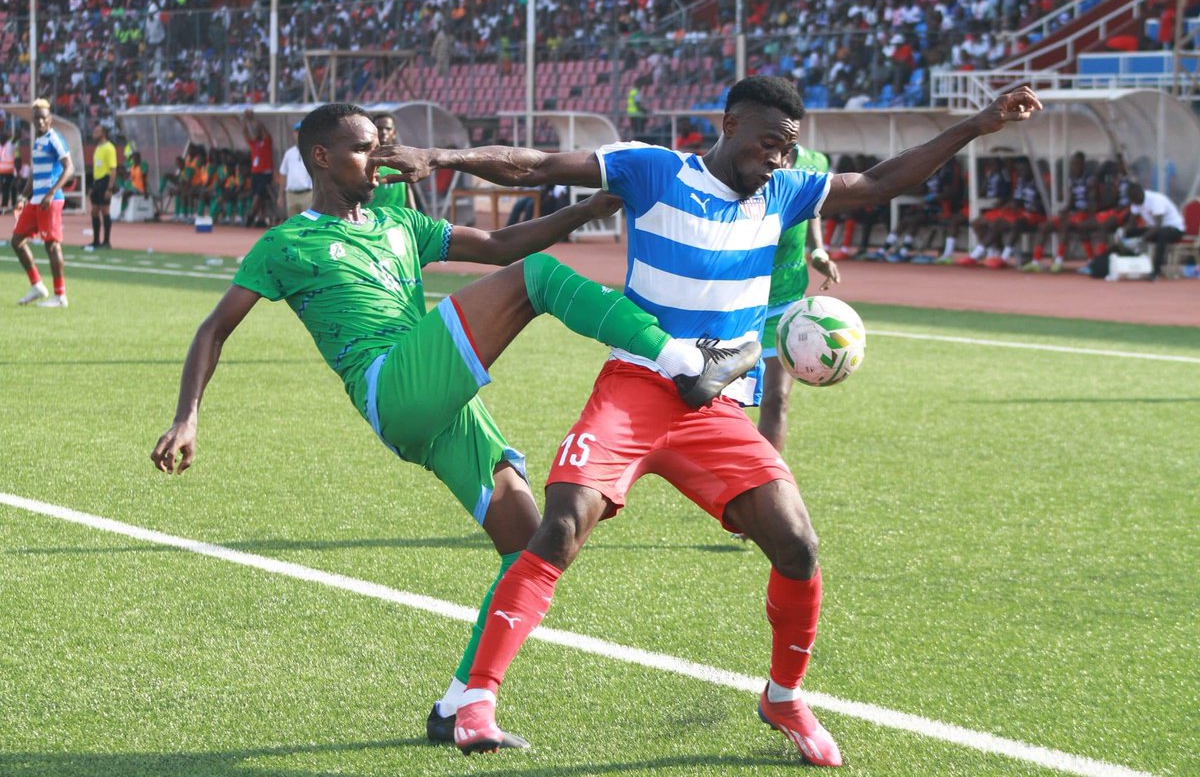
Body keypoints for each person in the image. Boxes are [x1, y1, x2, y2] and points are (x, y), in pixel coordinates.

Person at [370, 76, 1042, 764]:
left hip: (714, 404)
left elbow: (874, 184)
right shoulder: (653, 168)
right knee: (563, 523)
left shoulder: (787, 191)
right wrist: (442, 158)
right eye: (767, 143)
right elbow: (538, 164)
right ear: (728, 124)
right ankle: (474, 698)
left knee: (798, 545)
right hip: (636, 384)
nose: (777, 160)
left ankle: (783, 696)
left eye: (788, 148)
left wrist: (975, 125)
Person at [149, 102, 758, 749]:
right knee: (537, 280)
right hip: (394, 385)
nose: (378, 160)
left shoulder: (397, 223)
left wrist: (583, 211)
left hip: (439, 406)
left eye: (381, 146)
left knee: (530, 544)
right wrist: (187, 416)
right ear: (320, 158)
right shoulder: (286, 243)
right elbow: (214, 328)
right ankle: (686, 361)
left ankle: (460, 705)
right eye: (362, 148)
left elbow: (497, 243)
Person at [758, 142, 838, 452]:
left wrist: (817, 250)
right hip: (734, 297)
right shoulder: (741, 158)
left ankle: (767, 481)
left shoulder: (814, 161)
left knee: (776, 398)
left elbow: (812, 204)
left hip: (785, 298)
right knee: (720, 401)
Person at [10, 99, 75, 308]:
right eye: (36, 118)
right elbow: (34, 176)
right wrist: (22, 197)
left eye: (43, 118)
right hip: (36, 200)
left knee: (52, 245)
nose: (39, 121)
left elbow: (69, 168)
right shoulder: (37, 142)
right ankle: (37, 285)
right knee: (17, 240)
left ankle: (60, 296)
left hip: (50, 201)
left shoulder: (54, 138)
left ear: (50, 120)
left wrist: (51, 192)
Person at [1119, 182, 1184, 281]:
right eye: (1131, 200)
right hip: (1156, 229)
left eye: (1134, 199)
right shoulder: (1135, 201)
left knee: (1162, 235)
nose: (1133, 202)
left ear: (1140, 194)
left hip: (1174, 229)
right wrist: (1122, 231)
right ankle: (1128, 265)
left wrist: (1142, 239)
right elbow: (1131, 223)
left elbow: (1158, 225)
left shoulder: (1156, 200)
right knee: (1130, 233)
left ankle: (1156, 271)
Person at [367, 113, 414, 212]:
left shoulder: (403, 161)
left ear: (394, 133)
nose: (384, 132)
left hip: (396, 222)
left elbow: (408, 190)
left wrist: (416, 218)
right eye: (379, 128)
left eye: (388, 128)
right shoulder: (365, 161)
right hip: (371, 222)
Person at [241, 108, 276, 227]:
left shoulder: (266, 142)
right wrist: (245, 121)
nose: (255, 132)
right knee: (258, 197)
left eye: (257, 131)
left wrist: (253, 119)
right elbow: (245, 134)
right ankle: (260, 218)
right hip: (255, 174)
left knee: (258, 197)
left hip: (265, 174)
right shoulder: (253, 144)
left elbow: (263, 129)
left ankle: (250, 218)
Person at [87, 123, 118, 250]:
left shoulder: (109, 148)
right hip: (97, 181)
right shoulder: (98, 147)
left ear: (103, 133)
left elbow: (113, 169)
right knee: (94, 211)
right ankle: (95, 241)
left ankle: (106, 242)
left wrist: (110, 188)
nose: (94, 133)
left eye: (97, 131)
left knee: (105, 210)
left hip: (104, 181)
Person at [277, 121, 312, 217]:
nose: (299, 135)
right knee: (292, 225)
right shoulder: (289, 153)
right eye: (297, 132)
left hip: (307, 193)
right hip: (291, 194)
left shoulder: (311, 151)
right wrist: (281, 195)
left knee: (308, 223)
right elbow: (283, 174)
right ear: (294, 134)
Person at [0, 129, 16, 211]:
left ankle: (6, 205)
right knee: (5, 188)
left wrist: (11, 135)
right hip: (2, 172)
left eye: (3, 137)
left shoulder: (10, 144)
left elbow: (15, 138)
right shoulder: (0, 146)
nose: (1, 138)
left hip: (10, 172)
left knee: (11, 188)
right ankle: (5, 205)